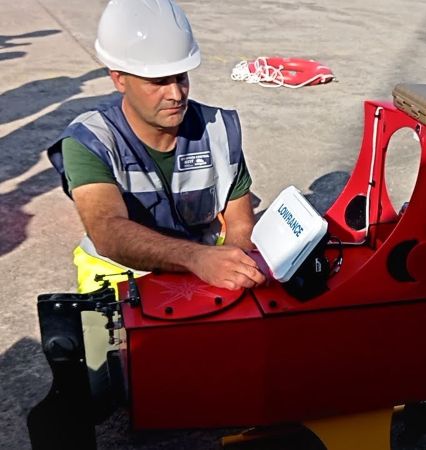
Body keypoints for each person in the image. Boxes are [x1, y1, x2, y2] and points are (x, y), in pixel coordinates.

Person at [48, 0, 266, 293]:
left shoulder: (219, 130)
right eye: (159, 81)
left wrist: (231, 269)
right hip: (119, 278)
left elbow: (240, 224)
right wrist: (195, 258)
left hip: (206, 275)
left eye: (181, 77)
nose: (176, 94)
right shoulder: (90, 140)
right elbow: (107, 229)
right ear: (119, 79)